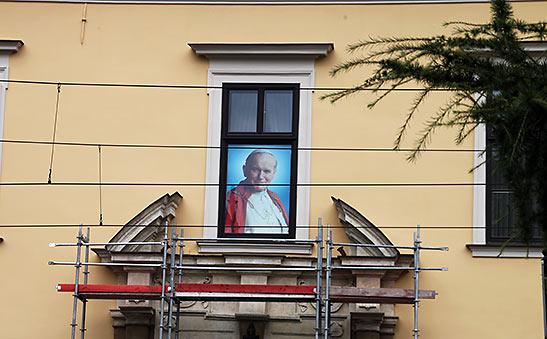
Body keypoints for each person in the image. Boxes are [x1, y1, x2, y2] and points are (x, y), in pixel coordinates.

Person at [225, 149, 289, 234]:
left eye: (267, 171)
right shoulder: (231, 198)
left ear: (274, 174)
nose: (260, 176)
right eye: (255, 170)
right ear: (245, 170)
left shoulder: (274, 197)